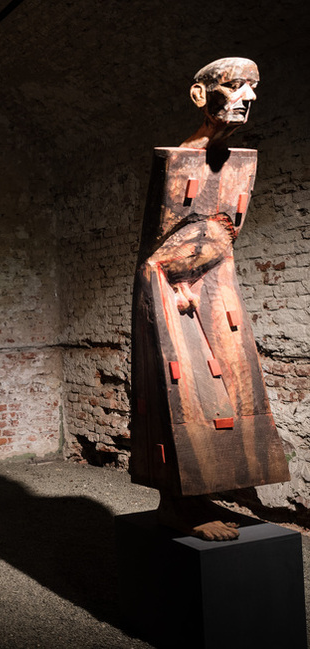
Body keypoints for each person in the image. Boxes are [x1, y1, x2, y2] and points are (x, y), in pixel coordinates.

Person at [129, 58, 289, 541]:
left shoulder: (236, 160)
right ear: (201, 95)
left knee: (235, 383)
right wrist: (174, 287)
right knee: (183, 387)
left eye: (253, 87)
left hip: (215, 278)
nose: (249, 96)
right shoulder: (178, 160)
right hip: (166, 283)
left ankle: (207, 491)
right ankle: (178, 505)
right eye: (235, 85)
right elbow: (162, 242)